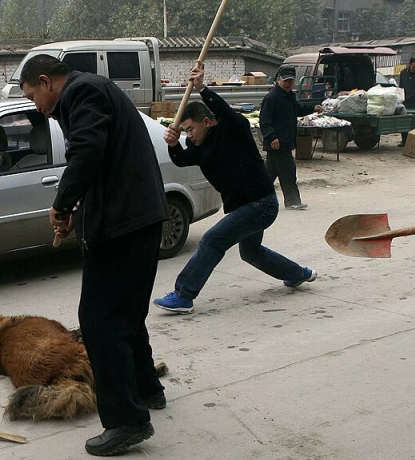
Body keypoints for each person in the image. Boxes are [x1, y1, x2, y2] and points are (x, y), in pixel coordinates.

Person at [18, 54, 168, 456]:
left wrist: (63, 203)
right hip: (135, 218)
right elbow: (100, 161)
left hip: (124, 225)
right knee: (126, 315)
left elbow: (87, 151)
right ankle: (147, 389)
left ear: (47, 82)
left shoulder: (82, 92)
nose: (39, 108)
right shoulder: (94, 90)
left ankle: (126, 421)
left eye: (34, 97)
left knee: (100, 322)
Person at [153, 61, 317, 314]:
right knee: (251, 253)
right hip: (244, 207)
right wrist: (174, 144)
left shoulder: (233, 130)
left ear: (206, 121)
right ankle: (297, 274)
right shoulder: (199, 147)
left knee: (211, 240)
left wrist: (203, 88)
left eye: (190, 129)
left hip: (260, 204)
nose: (189, 135)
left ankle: (184, 295)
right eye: (184, 131)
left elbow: (227, 114)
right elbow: (182, 159)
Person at [259, 65, 320, 211]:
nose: (287, 84)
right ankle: (293, 201)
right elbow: (265, 121)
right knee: (288, 171)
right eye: (285, 81)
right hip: (277, 142)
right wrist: (272, 137)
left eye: (290, 81)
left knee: (270, 172)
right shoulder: (272, 98)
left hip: (286, 140)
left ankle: (255, 197)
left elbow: (297, 110)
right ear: (279, 80)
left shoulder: (290, 96)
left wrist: (313, 108)